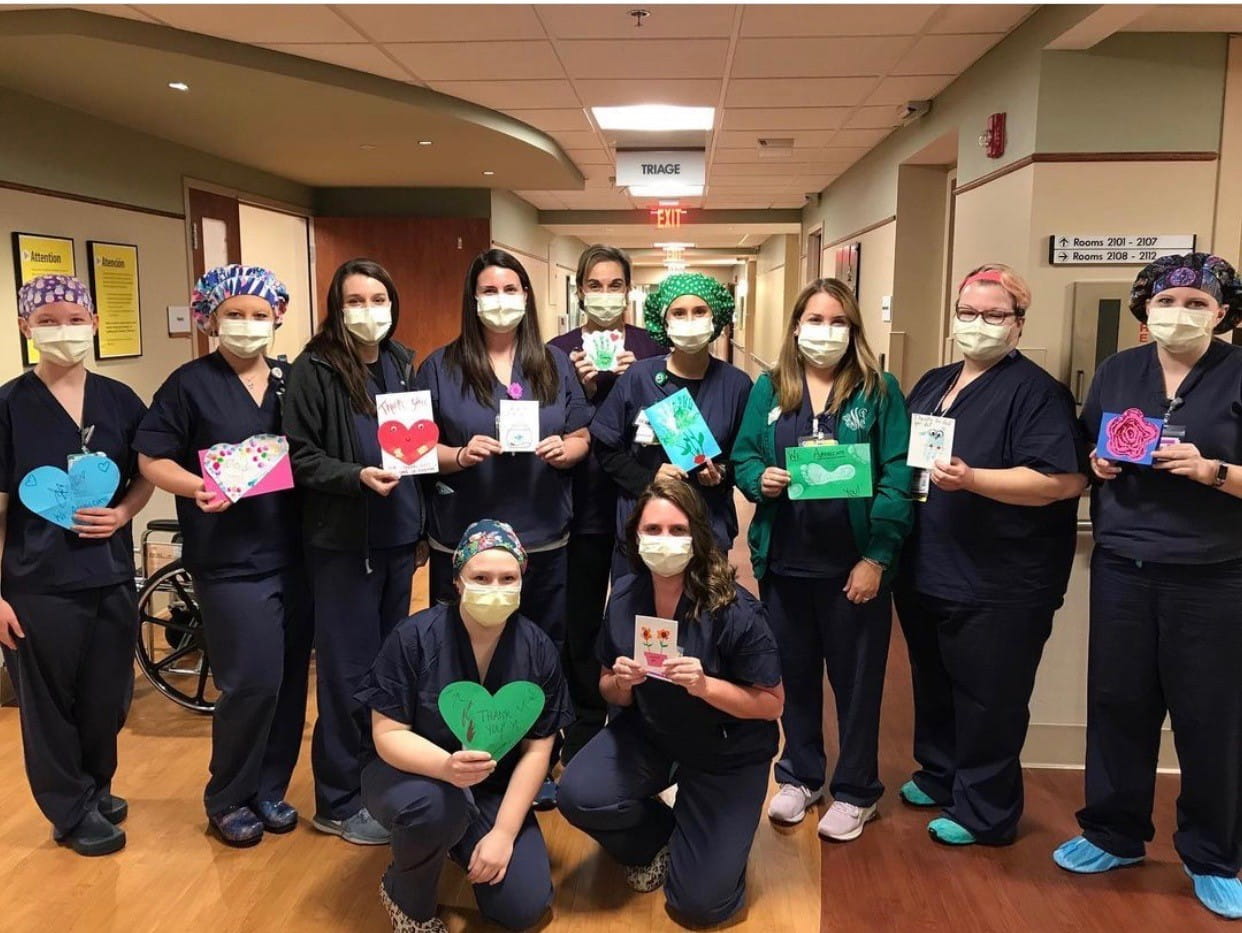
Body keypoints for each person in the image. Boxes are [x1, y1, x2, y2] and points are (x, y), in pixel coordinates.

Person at [1053, 253, 1242, 920]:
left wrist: (1213, 469)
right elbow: (1086, 447)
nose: (1180, 313)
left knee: (1210, 716)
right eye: (1168, 302)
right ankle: (1113, 831)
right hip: (1124, 563)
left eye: (1197, 302)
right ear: (1145, 311)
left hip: (1214, 573)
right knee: (1118, 702)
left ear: (1222, 312)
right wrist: (1099, 461)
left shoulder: (1238, 373)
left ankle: (1214, 853)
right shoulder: (1118, 371)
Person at [892, 264, 1086, 848]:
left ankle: (986, 811)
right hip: (930, 564)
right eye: (968, 312)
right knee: (935, 679)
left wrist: (975, 479)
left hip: (999, 578)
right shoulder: (934, 380)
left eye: (994, 314)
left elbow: (1063, 480)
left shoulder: (1036, 393)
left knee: (989, 696)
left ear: (1018, 325)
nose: (978, 324)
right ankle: (940, 770)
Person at [135, 264, 312, 847]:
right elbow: (152, 457)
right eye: (234, 314)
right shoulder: (189, 385)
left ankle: (269, 788)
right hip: (231, 560)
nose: (247, 324)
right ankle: (228, 796)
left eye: (259, 314)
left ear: (278, 316)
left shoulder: (291, 381)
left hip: (298, 552)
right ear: (211, 318)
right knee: (251, 681)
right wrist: (195, 489)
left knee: (288, 681)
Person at [732, 277, 913, 839]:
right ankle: (800, 775)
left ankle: (857, 790)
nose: (825, 332)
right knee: (796, 675)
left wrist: (877, 558)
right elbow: (743, 457)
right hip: (785, 563)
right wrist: (759, 479)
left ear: (854, 330)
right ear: (795, 327)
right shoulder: (771, 387)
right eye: (814, 320)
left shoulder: (878, 390)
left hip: (852, 567)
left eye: (838, 322)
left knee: (857, 685)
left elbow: (899, 475)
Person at [558, 478, 784, 927]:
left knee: (698, 906)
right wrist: (620, 685)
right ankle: (658, 837)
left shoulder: (734, 610)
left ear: (698, 537)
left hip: (726, 751)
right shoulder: (624, 598)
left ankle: (707, 830)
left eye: (677, 530)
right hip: (653, 732)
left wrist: (707, 687)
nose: (665, 542)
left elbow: (771, 704)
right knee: (577, 795)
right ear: (635, 538)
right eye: (653, 530)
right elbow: (606, 684)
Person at [357, 520, 572, 933]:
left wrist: (504, 834)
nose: (495, 587)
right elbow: (387, 735)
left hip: (492, 787)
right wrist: (445, 769)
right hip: (411, 777)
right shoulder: (414, 638)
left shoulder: (538, 649)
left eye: (507, 578)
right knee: (437, 808)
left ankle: (459, 838)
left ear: (522, 580)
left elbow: (538, 749)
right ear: (458, 581)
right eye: (481, 577)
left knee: (524, 907)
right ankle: (405, 896)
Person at [0, 274, 153, 855]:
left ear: (93, 322)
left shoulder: (118, 400)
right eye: (47, 321)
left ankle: (94, 785)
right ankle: (70, 809)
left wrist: (122, 515)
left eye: (74, 319)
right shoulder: (9, 406)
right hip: (38, 584)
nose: (63, 331)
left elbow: (146, 472)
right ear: (25, 328)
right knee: (48, 705)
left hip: (109, 574)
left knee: (107, 697)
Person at [285, 258, 424, 846]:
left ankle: (380, 780)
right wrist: (354, 476)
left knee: (388, 671)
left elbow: (417, 442)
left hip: (397, 538)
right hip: (344, 544)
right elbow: (296, 455)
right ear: (336, 308)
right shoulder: (313, 369)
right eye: (355, 301)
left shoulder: (401, 361)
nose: (369, 312)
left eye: (378, 298)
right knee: (347, 674)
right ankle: (338, 800)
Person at [415, 248, 591, 651]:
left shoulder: (554, 364)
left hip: (540, 535)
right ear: (472, 299)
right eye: (489, 290)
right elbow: (414, 452)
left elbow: (582, 434)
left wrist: (568, 449)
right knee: (459, 649)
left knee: (540, 648)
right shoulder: (440, 367)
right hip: (463, 538)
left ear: (526, 296)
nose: (500, 298)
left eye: (510, 288)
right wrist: (459, 455)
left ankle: (540, 717)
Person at [547, 244, 663, 764]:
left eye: (616, 285)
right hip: (581, 506)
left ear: (630, 291)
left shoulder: (652, 347)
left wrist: (635, 381)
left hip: (642, 504)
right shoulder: (555, 351)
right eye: (595, 285)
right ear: (579, 291)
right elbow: (556, 425)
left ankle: (645, 717)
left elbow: (673, 423)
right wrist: (585, 387)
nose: (605, 295)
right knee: (582, 620)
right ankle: (586, 723)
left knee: (639, 612)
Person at [590, 272, 751, 567]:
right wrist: (649, 478)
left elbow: (745, 458)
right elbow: (606, 447)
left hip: (707, 525)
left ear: (715, 318)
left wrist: (721, 473)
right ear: (664, 320)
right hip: (645, 523)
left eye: (699, 311)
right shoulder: (639, 378)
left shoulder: (736, 385)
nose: (689, 320)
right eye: (679, 312)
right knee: (639, 609)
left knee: (704, 609)